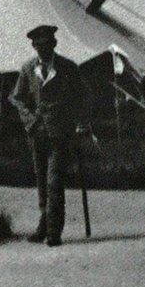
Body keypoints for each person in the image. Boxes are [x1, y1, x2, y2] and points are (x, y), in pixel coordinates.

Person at [9, 25, 90, 246]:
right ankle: (43, 225)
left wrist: (82, 125)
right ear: (33, 46)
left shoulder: (68, 68)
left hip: (61, 132)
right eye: (37, 45)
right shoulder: (28, 69)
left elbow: (81, 98)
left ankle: (54, 231)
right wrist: (29, 120)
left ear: (54, 44)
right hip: (37, 133)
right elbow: (17, 97)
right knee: (42, 182)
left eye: (46, 45)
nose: (41, 49)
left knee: (54, 181)